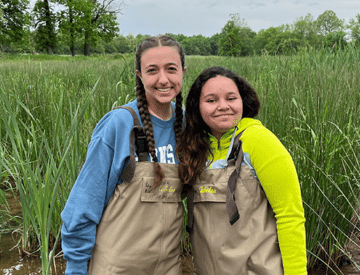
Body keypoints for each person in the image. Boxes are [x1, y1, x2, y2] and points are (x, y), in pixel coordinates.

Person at [60, 35, 187, 275]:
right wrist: (76, 266)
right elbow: (84, 202)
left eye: (171, 69)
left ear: (183, 72)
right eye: (152, 70)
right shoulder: (120, 124)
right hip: (117, 266)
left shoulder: (187, 123)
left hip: (168, 265)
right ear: (139, 76)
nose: (163, 79)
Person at [178, 66, 307, 275]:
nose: (223, 107)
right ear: (197, 107)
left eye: (231, 98)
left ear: (243, 101)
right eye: (211, 100)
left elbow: (289, 216)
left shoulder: (259, 140)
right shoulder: (195, 148)